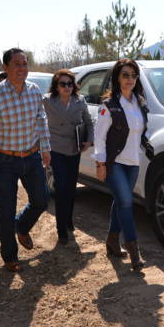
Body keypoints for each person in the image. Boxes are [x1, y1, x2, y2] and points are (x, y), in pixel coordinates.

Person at [0, 49, 51, 272]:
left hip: (31, 156)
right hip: (4, 161)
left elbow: (41, 119)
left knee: (41, 200)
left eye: (25, 64)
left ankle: (22, 226)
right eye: (17, 64)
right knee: (6, 211)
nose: (22, 68)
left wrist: (46, 148)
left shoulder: (34, 90)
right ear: (5, 67)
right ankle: (10, 256)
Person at [93, 58, 153, 271]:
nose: (130, 79)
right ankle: (134, 250)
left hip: (134, 162)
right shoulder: (108, 106)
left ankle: (112, 239)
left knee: (121, 201)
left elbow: (141, 131)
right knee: (126, 202)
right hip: (114, 162)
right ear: (117, 78)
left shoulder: (140, 103)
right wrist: (101, 163)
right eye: (125, 75)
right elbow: (99, 137)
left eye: (134, 75)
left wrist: (148, 144)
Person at [43, 69, 93, 244]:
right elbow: (35, 118)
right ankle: (61, 229)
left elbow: (89, 122)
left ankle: (68, 219)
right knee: (61, 187)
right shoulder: (47, 100)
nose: (67, 87)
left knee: (71, 188)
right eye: (63, 84)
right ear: (56, 86)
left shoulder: (80, 100)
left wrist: (89, 140)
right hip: (56, 149)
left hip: (74, 149)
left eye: (70, 84)